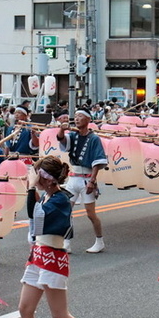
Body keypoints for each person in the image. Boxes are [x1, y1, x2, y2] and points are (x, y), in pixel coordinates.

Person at [3, 155, 96, 318]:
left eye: (37, 174)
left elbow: (39, 220)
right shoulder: (47, 196)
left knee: (59, 314)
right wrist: (32, 189)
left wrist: (29, 190)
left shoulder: (61, 199)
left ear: (47, 178)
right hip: (38, 255)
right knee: (25, 308)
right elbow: (35, 221)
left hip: (53, 258)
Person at [57, 109, 109, 254]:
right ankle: (66, 242)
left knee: (91, 214)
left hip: (86, 178)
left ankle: (99, 241)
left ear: (88, 120)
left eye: (81, 116)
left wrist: (93, 181)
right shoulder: (72, 135)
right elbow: (62, 142)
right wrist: (61, 130)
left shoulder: (94, 138)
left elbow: (98, 162)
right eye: (76, 116)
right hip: (73, 177)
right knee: (66, 210)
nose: (77, 118)